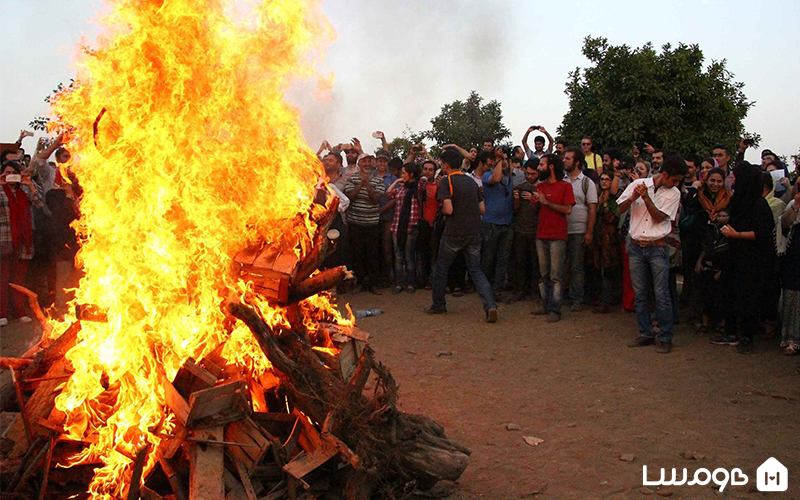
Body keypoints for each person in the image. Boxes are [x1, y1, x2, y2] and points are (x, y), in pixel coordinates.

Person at [618, 154, 687, 354]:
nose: (676, 184)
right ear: (665, 174)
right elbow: (618, 209)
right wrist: (633, 197)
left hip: (658, 246)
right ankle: (646, 332)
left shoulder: (673, 193)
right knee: (640, 293)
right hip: (636, 245)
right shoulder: (638, 184)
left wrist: (645, 197)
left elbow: (659, 218)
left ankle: (665, 336)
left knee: (661, 294)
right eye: (674, 179)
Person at [426, 149, 497, 322]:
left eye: (442, 164)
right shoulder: (472, 181)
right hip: (474, 231)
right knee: (476, 270)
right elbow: (482, 209)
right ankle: (490, 306)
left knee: (442, 268)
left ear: (446, 164)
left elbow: (448, 209)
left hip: (454, 232)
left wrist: (442, 209)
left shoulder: (446, 181)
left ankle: (438, 305)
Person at [716, 162, 776, 353]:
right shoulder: (738, 201)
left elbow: (762, 233)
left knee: (748, 297)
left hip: (752, 259)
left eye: (735, 176)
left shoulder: (759, 204)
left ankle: (747, 336)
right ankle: (731, 332)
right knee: (730, 293)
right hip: (735, 256)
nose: (732, 179)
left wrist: (737, 235)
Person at [681, 168, 731, 318]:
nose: (715, 184)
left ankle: (718, 319)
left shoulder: (728, 198)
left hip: (721, 245)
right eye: (712, 180)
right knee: (699, 281)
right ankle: (700, 318)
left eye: (719, 181)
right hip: (698, 242)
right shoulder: (698, 196)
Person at [531, 154, 575, 323]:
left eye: (541, 164)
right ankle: (547, 306)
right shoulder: (540, 186)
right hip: (541, 234)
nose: (538, 168)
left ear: (550, 166)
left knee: (555, 275)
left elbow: (567, 210)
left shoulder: (565, 186)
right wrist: (535, 200)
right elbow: (534, 207)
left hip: (557, 235)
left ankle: (555, 309)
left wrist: (546, 202)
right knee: (544, 274)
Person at [1, 161, 43, 326]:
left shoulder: (24, 190)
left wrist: (29, 184)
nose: (10, 175)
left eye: (13, 172)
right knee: (2, 280)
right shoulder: (1, 191)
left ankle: (19, 312)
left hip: (24, 242)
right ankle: (2, 314)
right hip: (4, 240)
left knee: (19, 280)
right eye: (7, 172)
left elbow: (39, 204)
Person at [344, 155, 385, 294]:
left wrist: (366, 184)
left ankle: (373, 284)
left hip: (372, 223)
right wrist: (361, 184)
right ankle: (360, 283)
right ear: (359, 163)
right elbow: (350, 197)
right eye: (364, 161)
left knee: (373, 254)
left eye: (369, 161)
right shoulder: (352, 178)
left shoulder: (379, 180)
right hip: (355, 223)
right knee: (358, 254)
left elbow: (375, 200)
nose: (367, 164)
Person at [563, 147, 597, 311]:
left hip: (578, 229)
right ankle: (563, 295)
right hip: (562, 229)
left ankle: (577, 298)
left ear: (576, 162)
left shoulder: (586, 182)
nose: (564, 161)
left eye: (568, 158)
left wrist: (589, 231)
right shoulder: (561, 180)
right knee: (562, 265)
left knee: (576, 266)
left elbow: (592, 208)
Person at [481, 147, 514, 298]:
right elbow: (495, 178)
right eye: (501, 160)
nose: (504, 162)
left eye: (506, 159)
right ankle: (485, 288)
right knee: (488, 258)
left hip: (507, 223)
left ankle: (497, 290)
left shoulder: (510, 179)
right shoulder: (487, 175)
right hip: (491, 223)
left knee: (503, 259)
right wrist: (499, 160)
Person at [386, 162, 425, 294]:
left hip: (411, 226)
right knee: (398, 256)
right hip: (397, 226)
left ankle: (410, 283)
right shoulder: (402, 189)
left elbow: (424, 178)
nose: (402, 175)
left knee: (409, 257)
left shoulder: (417, 187)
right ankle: (398, 283)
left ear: (411, 174)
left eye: (404, 173)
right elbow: (388, 193)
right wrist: (397, 181)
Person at [694, 208, 731, 337]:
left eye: (724, 215)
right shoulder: (710, 229)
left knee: (721, 298)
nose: (721, 217)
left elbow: (730, 254)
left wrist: (723, 271)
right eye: (719, 215)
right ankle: (705, 323)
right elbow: (705, 248)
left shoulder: (730, 232)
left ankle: (722, 324)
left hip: (721, 269)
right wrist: (699, 262)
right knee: (705, 296)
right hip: (707, 268)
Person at [589, 171, 621, 313]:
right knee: (597, 268)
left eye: (607, 179)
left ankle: (607, 301)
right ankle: (600, 298)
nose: (604, 182)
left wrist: (605, 204)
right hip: (598, 237)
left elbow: (612, 218)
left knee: (608, 270)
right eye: (602, 179)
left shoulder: (616, 198)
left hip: (611, 239)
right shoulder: (597, 196)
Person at [510, 158, 541, 302]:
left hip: (535, 230)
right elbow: (515, 209)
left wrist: (533, 200)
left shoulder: (542, 189)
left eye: (533, 174)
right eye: (528, 173)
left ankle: (535, 290)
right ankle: (520, 290)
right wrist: (516, 199)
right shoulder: (520, 186)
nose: (530, 176)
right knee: (520, 261)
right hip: (520, 229)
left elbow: (542, 210)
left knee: (535, 263)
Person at [777, 191, 800, 355]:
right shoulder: (793, 203)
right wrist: (796, 205)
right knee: (793, 296)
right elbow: (785, 225)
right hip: (794, 260)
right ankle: (792, 338)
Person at [375, 152, 398, 287]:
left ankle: (387, 277)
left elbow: (395, 198)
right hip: (371, 216)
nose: (382, 164)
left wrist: (382, 210)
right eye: (380, 161)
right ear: (376, 162)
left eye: (384, 162)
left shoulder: (393, 178)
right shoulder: (371, 176)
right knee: (374, 247)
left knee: (387, 247)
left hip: (388, 216)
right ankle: (376, 277)